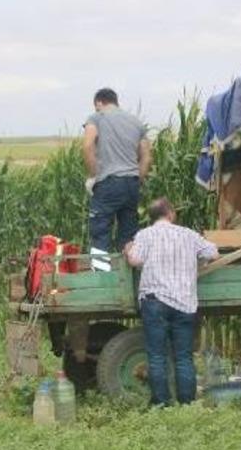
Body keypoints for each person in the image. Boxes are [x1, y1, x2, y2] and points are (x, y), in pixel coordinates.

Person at [124, 198, 218, 406]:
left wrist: (129, 249)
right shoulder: (188, 234)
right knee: (183, 356)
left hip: (155, 301)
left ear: (152, 216)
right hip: (184, 302)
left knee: (157, 356)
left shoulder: (145, 235)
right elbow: (213, 253)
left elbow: (135, 260)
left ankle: (161, 403)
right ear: (171, 213)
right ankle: (187, 402)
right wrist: (197, 260)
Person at [83, 88, 152, 270]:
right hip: (131, 184)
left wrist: (92, 176)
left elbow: (88, 144)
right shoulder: (136, 122)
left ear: (99, 103)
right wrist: (138, 178)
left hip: (108, 183)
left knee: (100, 233)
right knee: (128, 236)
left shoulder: (96, 118)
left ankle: (101, 281)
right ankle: (128, 279)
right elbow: (146, 157)